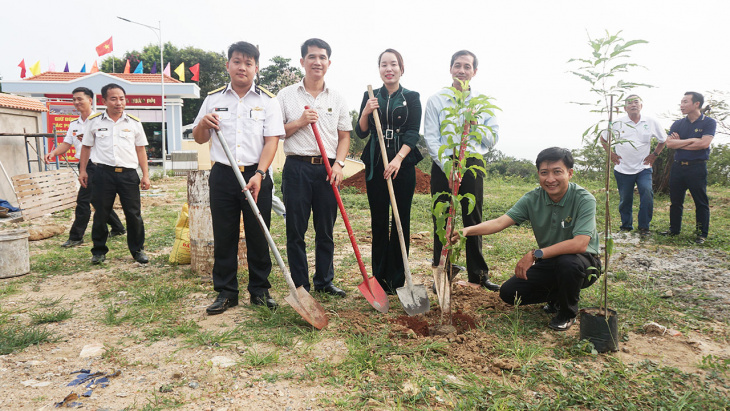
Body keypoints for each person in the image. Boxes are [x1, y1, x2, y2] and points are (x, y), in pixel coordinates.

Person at [450, 147, 601, 331]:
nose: (550, 179)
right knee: (509, 293)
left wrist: (535, 254)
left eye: (557, 172)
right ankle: (557, 297)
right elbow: (500, 222)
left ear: (570, 173)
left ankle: (567, 312)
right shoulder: (533, 198)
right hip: (550, 260)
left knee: (568, 264)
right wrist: (466, 231)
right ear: (538, 174)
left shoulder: (584, 199)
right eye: (544, 173)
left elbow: (580, 243)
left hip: (584, 262)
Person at [193, 41, 284, 314]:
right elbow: (199, 139)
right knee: (225, 234)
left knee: (259, 233)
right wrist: (202, 124)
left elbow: (271, 142)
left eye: (248, 63)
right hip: (223, 175)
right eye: (237, 61)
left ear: (256, 67)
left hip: (257, 175)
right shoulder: (213, 100)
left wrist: (260, 173)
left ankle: (259, 290)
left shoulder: (268, 101)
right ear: (228, 65)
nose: (242, 67)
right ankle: (226, 292)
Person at [277, 38, 351, 297]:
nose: (317, 62)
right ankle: (301, 286)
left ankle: (324, 281)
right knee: (296, 229)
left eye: (322, 57)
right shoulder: (286, 96)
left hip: (327, 171)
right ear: (302, 62)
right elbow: (275, 133)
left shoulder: (338, 98)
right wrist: (299, 122)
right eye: (312, 57)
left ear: (328, 63)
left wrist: (339, 164)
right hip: (297, 167)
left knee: (325, 229)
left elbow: (344, 137)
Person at [424, 50, 500, 291]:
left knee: (472, 215)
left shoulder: (481, 103)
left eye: (467, 67)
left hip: (473, 162)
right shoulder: (436, 100)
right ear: (450, 69)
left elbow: (493, 138)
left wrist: (478, 126)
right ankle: (442, 273)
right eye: (457, 65)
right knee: (442, 215)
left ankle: (478, 274)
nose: (462, 70)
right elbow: (432, 137)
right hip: (444, 161)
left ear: (474, 72)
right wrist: (447, 165)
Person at [354, 49, 423, 294]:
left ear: (401, 69)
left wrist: (398, 160)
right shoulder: (370, 95)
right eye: (384, 64)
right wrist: (365, 111)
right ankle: (380, 279)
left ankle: (397, 280)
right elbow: (361, 132)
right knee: (379, 221)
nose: (388, 68)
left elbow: (413, 132)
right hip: (376, 164)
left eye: (393, 64)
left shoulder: (412, 97)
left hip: (402, 165)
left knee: (401, 220)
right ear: (379, 69)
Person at [78, 83, 150, 265]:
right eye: (114, 98)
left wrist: (145, 175)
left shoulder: (134, 122)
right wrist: (83, 170)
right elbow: (86, 147)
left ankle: (137, 250)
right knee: (101, 213)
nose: (119, 102)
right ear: (104, 101)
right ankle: (99, 251)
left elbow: (141, 150)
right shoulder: (94, 121)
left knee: (133, 214)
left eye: (122, 98)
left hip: (128, 175)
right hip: (103, 174)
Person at [45, 87, 126, 248]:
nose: (76, 102)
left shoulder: (100, 120)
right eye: (74, 99)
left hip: (98, 165)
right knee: (97, 200)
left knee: (83, 200)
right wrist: (53, 153)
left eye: (80, 99)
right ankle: (118, 227)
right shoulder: (74, 124)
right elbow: (67, 143)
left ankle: (76, 236)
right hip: (83, 164)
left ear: (90, 100)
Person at [601, 95, 666, 236]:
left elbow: (663, 140)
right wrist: (611, 154)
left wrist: (654, 155)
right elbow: (603, 138)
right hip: (622, 167)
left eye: (636, 102)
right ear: (625, 108)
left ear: (641, 106)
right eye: (629, 103)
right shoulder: (617, 123)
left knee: (647, 193)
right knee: (625, 198)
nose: (633, 105)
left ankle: (644, 227)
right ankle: (626, 226)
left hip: (643, 167)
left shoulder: (651, 122)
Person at [662, 92, 716, 244]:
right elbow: (670, 144)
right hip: (678, 167)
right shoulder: (678, 124)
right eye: (681, 102)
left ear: (696, 104)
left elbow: (704, 144)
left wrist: (682, 143)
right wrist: (693, 140)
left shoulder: (708, 122)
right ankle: (674, 230)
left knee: (701, 201)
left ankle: (701, 233)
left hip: (697, 167)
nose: (682, 105)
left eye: (685, 102)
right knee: (676, 201)